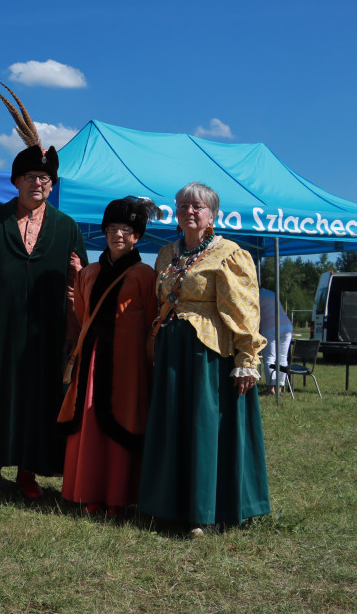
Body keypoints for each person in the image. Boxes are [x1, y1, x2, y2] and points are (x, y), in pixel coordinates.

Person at [0, 86, 87, 499]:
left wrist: (73, 330)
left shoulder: (67, 227)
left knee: (40, 398)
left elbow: (79, 283)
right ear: (16, 181)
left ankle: (29, 473)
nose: (39, 183)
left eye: (46, 178)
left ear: (52, 186)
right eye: (31, 177)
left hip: (47, 331)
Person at [138, 182, 269, 535]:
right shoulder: (166, 253)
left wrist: (247, 357)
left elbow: (244, 310)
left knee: (204, 427)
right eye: (183, 206)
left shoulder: (229, 254)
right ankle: (167, 505)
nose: (190, 212)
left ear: (212, 214)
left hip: (209, 353)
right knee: (171, 424)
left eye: (198, 206)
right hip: (171, 348)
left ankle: (204, 510)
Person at [57, 197, 158, 517]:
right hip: (92, 359)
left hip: (128, 362)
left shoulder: (145, 274)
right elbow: (82, 314)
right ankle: (90, 492)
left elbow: (152, 319)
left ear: (137, 237)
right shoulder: (89, 273)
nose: (118, 235)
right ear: (104, 232)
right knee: (89, 421)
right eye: (112, 228)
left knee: (124, 419)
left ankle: (118, 496)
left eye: (126, 230)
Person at [259, 287, 293, 395]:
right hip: (287, 325)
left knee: (270, 357)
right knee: (282, 358)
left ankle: (271, 388)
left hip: (270, 326)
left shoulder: (254, 294)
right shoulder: (272, 293)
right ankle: (279, 387)